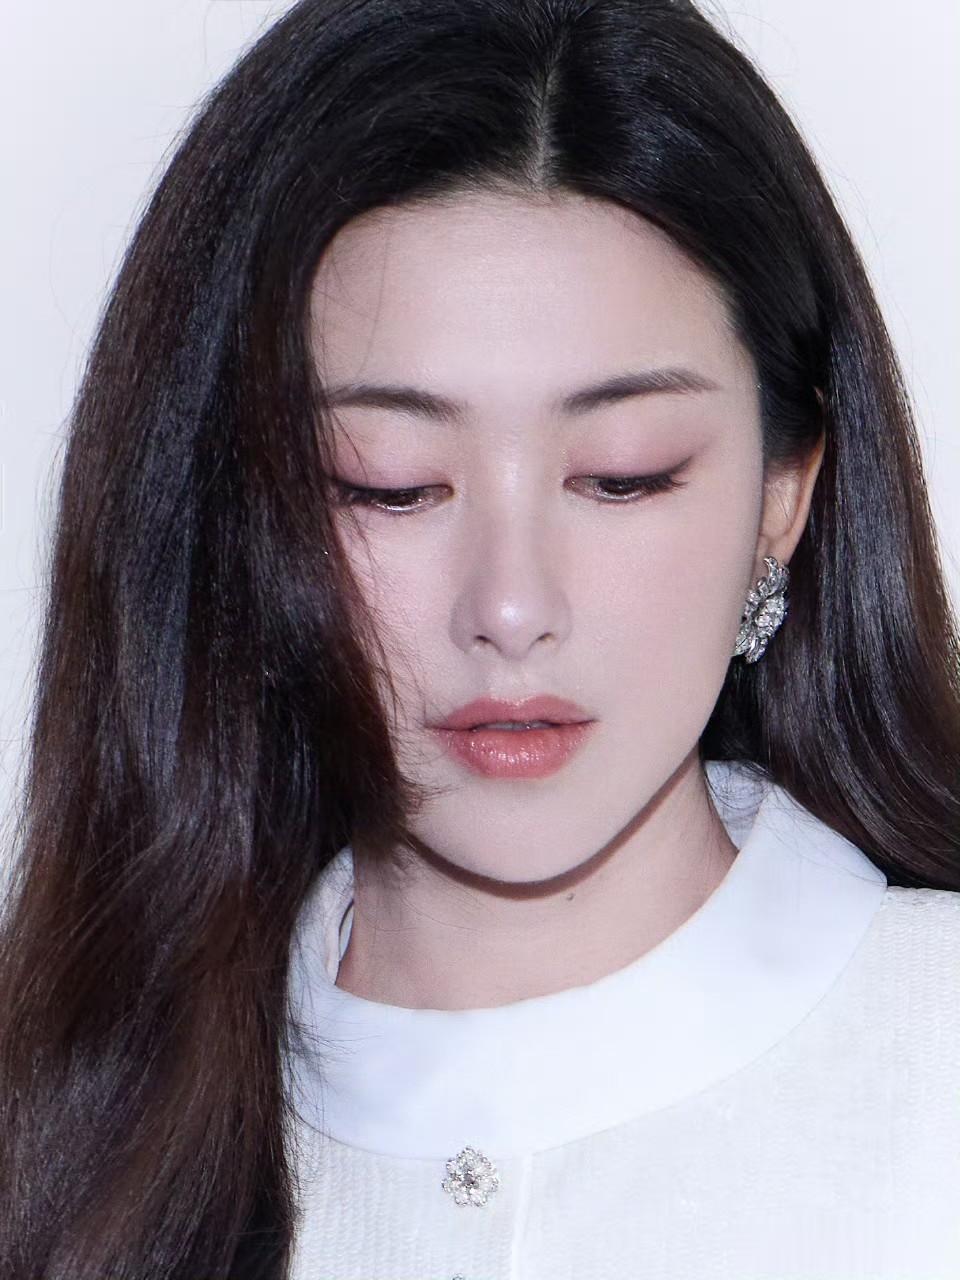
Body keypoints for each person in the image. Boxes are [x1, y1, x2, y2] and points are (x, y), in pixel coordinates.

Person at [1, 0, 958, 1276]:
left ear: (783, 494)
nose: (510, 607)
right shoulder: (62, 1137)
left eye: (622, 475)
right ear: (238, 512)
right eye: (389, 484)